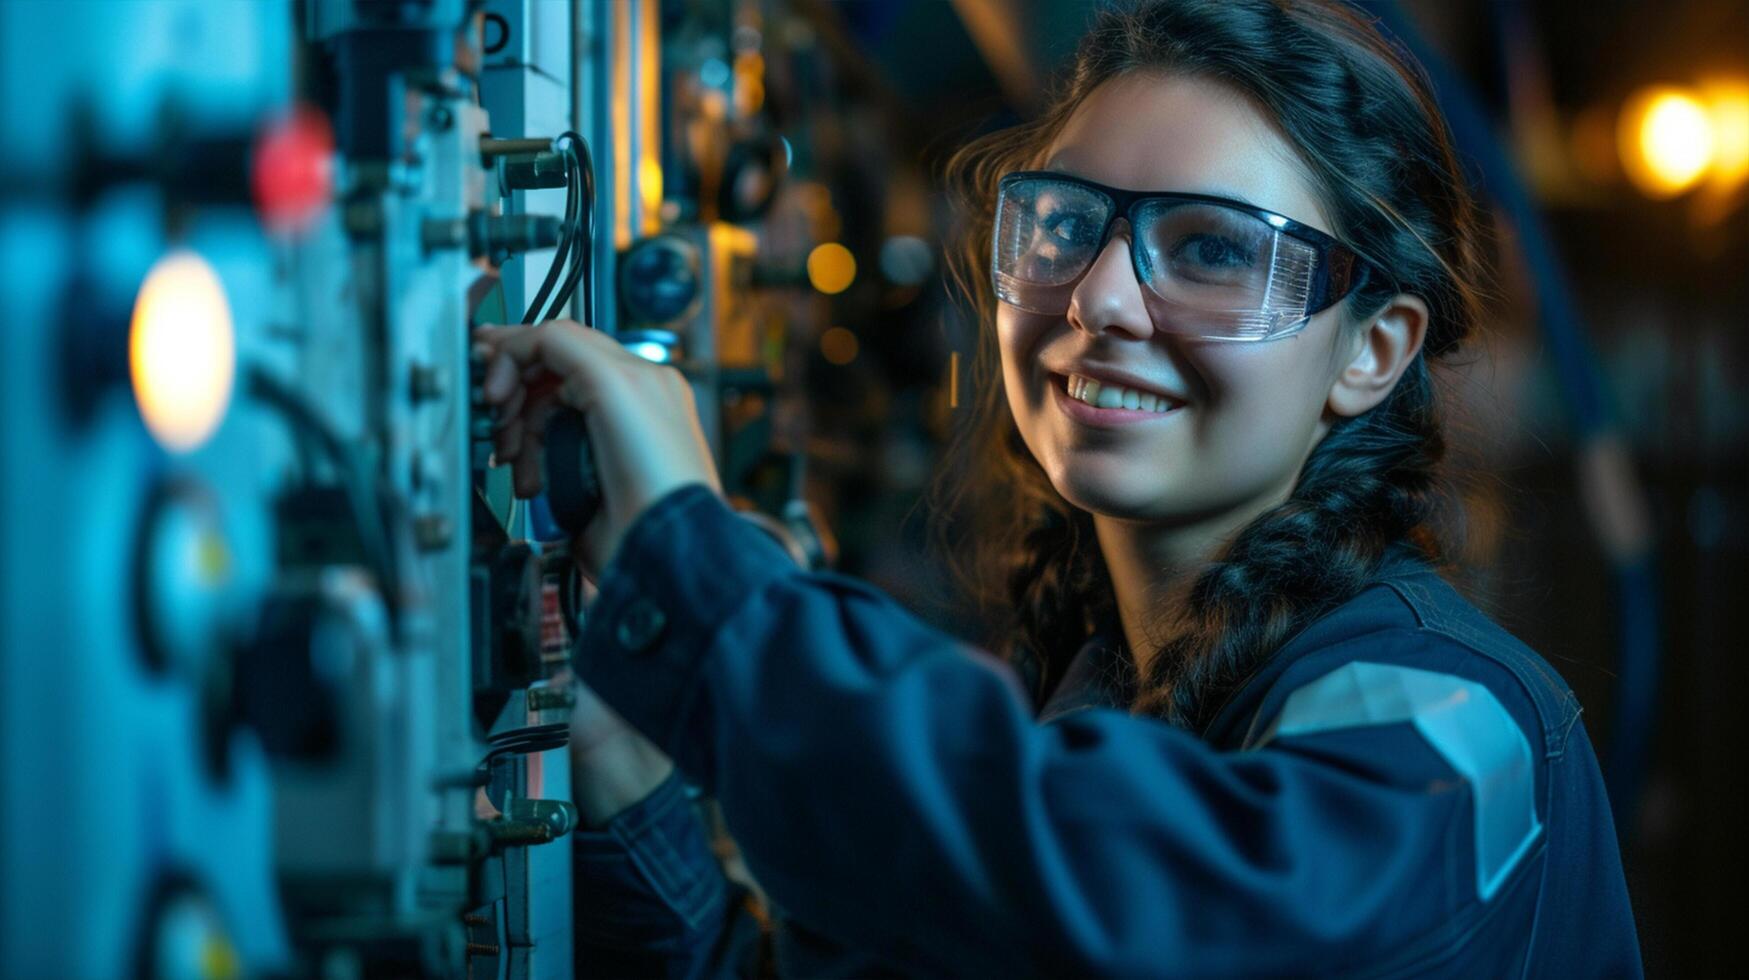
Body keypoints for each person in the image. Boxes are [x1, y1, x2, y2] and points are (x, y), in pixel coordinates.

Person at [475, 0, 1641, 974]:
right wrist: (626, 777)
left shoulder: (1461, 731)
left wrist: (704, 588)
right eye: (1067, 225)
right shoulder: (1099, 694)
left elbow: (1171, 913)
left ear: (1372, 350)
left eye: (1214, 249)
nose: (1099, 300)